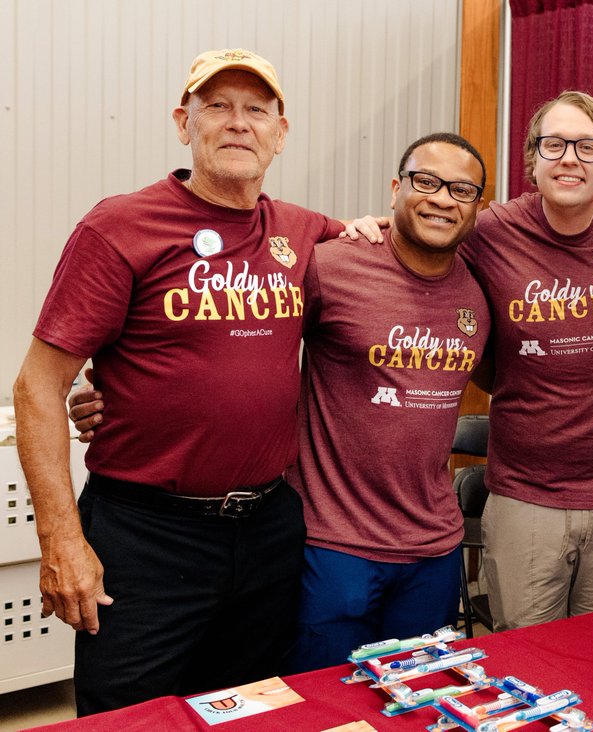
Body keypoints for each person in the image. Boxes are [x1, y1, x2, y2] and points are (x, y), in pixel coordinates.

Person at [12, 48, 379, 714]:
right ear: (184, 123)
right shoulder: (119, 227)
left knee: (249, 708)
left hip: (268, 527)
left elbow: (379, 248)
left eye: (256, 110)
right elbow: (37, 387)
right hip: (145, 533)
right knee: (131, 718)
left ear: (281, 132)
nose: (238, 124)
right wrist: (61, 540)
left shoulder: (299, 230)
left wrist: (387, 225)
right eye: (217, 107)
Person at [458, 91, 593, 630]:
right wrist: (367, 227)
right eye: (553, 145)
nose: (569, 158)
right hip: (526, 498)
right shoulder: (491, 233)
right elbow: (417, 248)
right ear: (532, 160)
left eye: (587, 146)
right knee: (524, 666)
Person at [284, 133, 490, 672]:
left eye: (462, 190)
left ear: (477, 207)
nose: (443, 198)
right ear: (396, 189)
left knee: (418, 705)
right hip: (334, 545)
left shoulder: (479, 289)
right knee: (325, 707)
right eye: (427, 182)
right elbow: (249, 350)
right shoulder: (330, 267)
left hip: (434, 550)